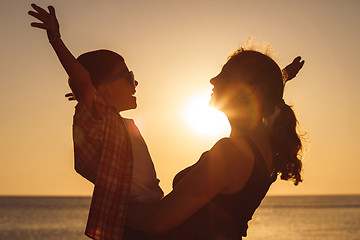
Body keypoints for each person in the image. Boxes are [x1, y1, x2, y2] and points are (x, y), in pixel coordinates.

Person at [126, 49, 304, 239]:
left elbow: (158, 221)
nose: (213, 80)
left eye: (226, 75)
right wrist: (282, 77)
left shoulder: (232, 152)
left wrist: (117, 209)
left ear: (252, 92)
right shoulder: (266, 146)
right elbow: (268, 95)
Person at [28, 4, 163, 240]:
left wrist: (86, 97)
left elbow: (86, 88)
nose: (135, 84)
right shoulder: (102, 118)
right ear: (104, 90)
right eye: (129, 77)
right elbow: (83, 82)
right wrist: (56, 40)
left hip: (153, 211)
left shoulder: (118, 124)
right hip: (134, 221)